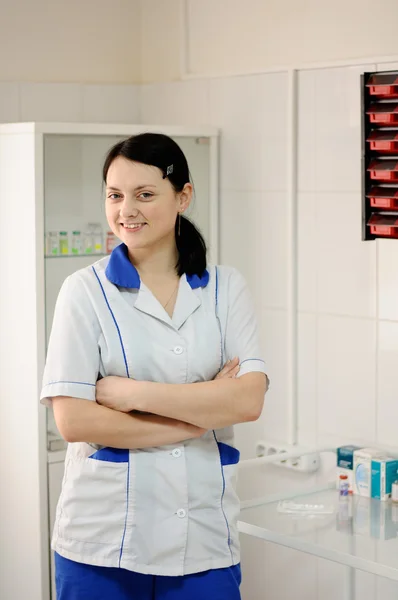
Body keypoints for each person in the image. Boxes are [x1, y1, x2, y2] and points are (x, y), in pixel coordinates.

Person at [40, 133, 268, 600]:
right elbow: (75, 419)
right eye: (115, 195)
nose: (127, 210)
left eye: (145, 195)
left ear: (183, 196)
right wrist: (196, 419)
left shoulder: (225, 289)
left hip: (203, 536)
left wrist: (129, 396)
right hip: (101, 542)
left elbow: (247, 400)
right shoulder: (83, 291)